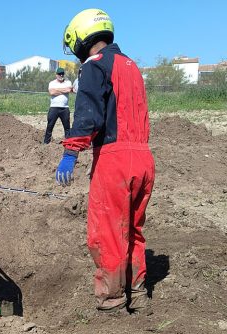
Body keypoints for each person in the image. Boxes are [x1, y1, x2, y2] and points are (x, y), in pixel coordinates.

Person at [56, 8, 155, 313]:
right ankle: (137, 293)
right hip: (144, 157)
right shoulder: (131, 65)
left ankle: (111, 300)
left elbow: (89, 115)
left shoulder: (94, 67)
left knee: (108, 232)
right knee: (134, 229)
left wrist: (70, 153)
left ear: (80, 39)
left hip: (115, 160)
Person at [43, 67, 73, 144]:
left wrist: (57, 90)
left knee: (67, 127)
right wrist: (63, 90)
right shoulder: (51, 83)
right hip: (54, 108)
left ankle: (68, 143)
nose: (61, 75)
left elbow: (69, 90)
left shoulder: (68, 82)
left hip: (65, 108)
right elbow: (52, 92)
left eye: (62, 73)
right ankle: (46, 143)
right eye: (59, 74)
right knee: (50, 126)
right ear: (56, 74)